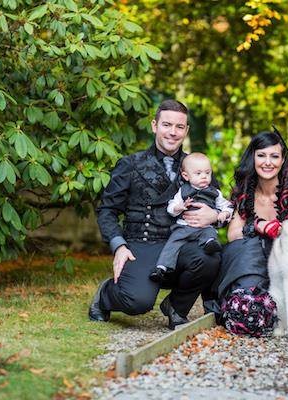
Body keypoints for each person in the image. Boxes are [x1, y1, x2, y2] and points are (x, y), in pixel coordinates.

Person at [88, 99, 223, 330]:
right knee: (137, 301)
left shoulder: (196, 165)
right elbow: (108, 210)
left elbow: (220, 203)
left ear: (186, 130)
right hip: (143, 244)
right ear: (154, 126)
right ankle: (105, 294)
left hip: (181, 244)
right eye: (166, 125)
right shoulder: (130, 164)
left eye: (179, 127)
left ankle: (176, 307)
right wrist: (119, 245)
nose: (172, 132)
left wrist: (214, 216)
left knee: (210, 258)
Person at [212, 129, 288, 337]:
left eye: (274, 156)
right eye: (261, 155)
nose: (267, 162)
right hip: (252, 264)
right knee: (246, 245)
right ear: (253, 157)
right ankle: (247, 299)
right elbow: (234, 234)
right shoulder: (244, 192)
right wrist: (259, 226)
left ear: (283, 159)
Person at [149, 152, 234, 283]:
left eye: (207, 173)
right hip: (184, 226)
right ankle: (162, 267)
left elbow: (227, 206)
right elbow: (171, 207)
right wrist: (180, 207)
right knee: (173, 242)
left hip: (204, 227)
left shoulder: (215, 192)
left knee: (210, 232)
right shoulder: (182, 191)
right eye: (198, 173)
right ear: (186, 176)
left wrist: (224, 213)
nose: (204, 177)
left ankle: (209, 243)